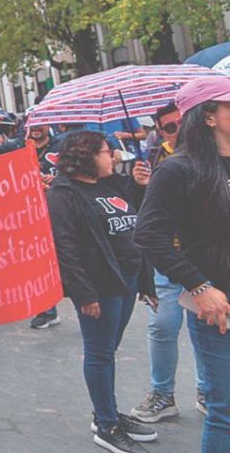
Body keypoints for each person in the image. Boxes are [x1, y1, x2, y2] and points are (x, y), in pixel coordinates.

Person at [47, 131, 158, 452]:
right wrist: (84, 294)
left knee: (109, 351)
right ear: (86, 155)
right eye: (107, 151)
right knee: (99, 353)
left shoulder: (109, 183)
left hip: (127, 279)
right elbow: (65, 247)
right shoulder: (63, 193)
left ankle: (106, 412)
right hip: (101, 285)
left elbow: (129, 220)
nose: (114, 157)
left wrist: (137, 187)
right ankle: (107, 425)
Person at [136, 77, 230, 452]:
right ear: (208, 116)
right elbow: (149, 234)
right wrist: (199, 286)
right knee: (225, 412)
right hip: (217, 307)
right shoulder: (178, 169)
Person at [132, 101, 209, 423]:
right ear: (160, 131)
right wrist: (139, 188)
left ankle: (210, 390)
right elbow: (143, 223)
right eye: (169, 127)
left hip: (204, 261)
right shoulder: (157, 159)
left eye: (181, 123)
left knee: (209, 328)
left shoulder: (211, 160)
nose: (177, 131)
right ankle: (163, 393)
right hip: (167, 261)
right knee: (163, 327)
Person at [0, 114, 63, 329]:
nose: (36, 128)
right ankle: (47, 308)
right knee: (38, 260)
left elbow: (75, 170)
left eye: (40, 123)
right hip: (28, 213)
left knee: (60, 258)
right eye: (31, 124)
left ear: (48, 124)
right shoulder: (17, 146)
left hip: (58, 208)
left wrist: (58, 179)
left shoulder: (61, 146)